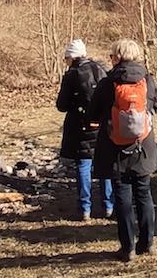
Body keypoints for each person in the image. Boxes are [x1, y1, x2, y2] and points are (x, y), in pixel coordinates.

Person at [87, 39, 157, 262]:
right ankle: (147, 243)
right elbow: (156, 106)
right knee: (144, 194)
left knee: (122, 197)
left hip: (114, 147)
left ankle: (127, 247)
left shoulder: (107, 82)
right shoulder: (147, 79)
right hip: (143, 145)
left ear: (117, 57)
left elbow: (92, 114)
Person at [56, 39, 113, 221]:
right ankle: (108, 205)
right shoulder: (102, 69)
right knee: (105, 166)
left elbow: (62, 105)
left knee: (83, 165)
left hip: (81, 126)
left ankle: (85, 208)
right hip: (104, 124)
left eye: (66, 58)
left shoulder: (72, 74)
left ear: (72, 57)